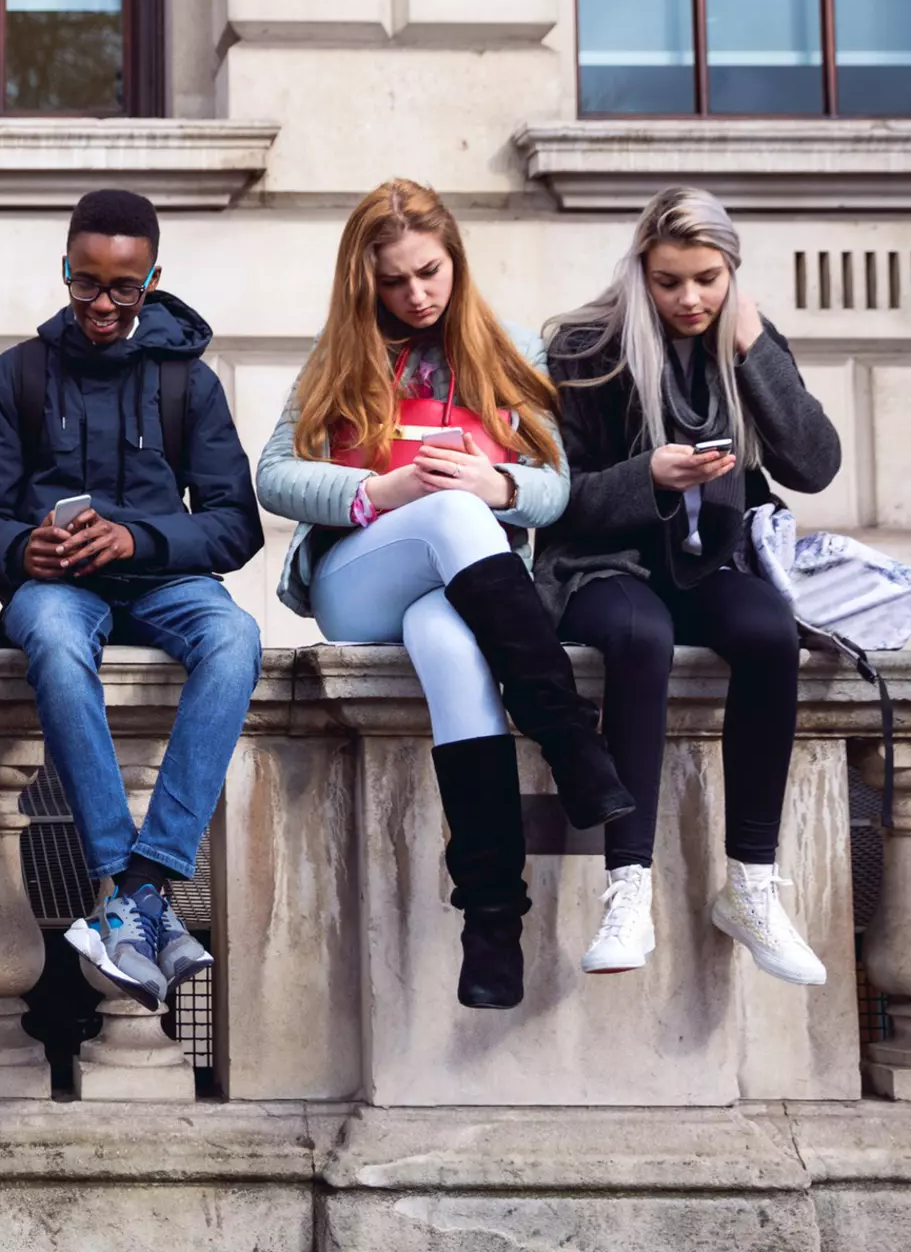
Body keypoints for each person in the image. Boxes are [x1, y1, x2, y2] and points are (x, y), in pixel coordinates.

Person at [256, 178, 632, 1010]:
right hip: (360, 581)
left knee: (452, 648)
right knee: (450, 516)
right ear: (365, 283)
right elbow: (273, 475)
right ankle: (568, 740)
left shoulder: (509, 354)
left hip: (459, 588)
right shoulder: (341, 357)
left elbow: (554, 489)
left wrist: (495, 483)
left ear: (455, 260)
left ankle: (492, 923)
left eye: (429, 272)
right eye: (393, 280)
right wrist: (381, 491)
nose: (416, 294)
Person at [0, 189, 263, 1010]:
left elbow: (235, 527)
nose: (101, 304)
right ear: (65, 271)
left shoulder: (187, 384)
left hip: (166, 582)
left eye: (122, 288)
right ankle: (121, 883)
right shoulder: (14, 377)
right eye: (85, 283)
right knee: (56, 647)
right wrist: (20, 547)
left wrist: (139, 539)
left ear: (151, 280)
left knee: (235, 638)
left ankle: (142, 883)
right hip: (56, 588)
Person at [540, 187, 840, 985]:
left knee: (771, 635)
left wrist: (754, 351)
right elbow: (554, 495)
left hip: (711, 564)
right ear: (641, 270)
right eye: (668, 279)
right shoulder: (583, 348)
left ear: (730, 272)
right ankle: (626, 887)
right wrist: (649, 476)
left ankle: (749, 884)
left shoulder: (745, 340)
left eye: (706, 278)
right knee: (642, 639)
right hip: (601, 567)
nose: (687, 298)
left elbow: (814, 465)